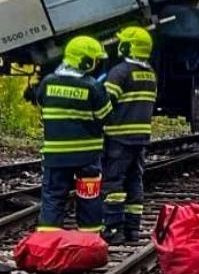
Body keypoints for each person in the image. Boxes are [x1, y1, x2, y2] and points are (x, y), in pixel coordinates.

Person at [27, 36, 113, 234]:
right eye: (95, 59)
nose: (97, 63)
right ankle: (90, 240)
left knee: (53, 198)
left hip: (55, 156)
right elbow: (106, 118)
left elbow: (41, 104)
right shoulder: (92, 87)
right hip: (87, 157)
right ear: (85, 61)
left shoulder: (48, 83)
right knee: (89, 198)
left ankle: (47, 241)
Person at [100, 26, 158, 244]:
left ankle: (113, 229)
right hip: (141, 138)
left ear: (128, 47)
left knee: (113, 183)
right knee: (135, 181)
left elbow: (105, 103)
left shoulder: (120, 72)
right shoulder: (150, 73)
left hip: (118, 138)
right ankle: (132, 229)